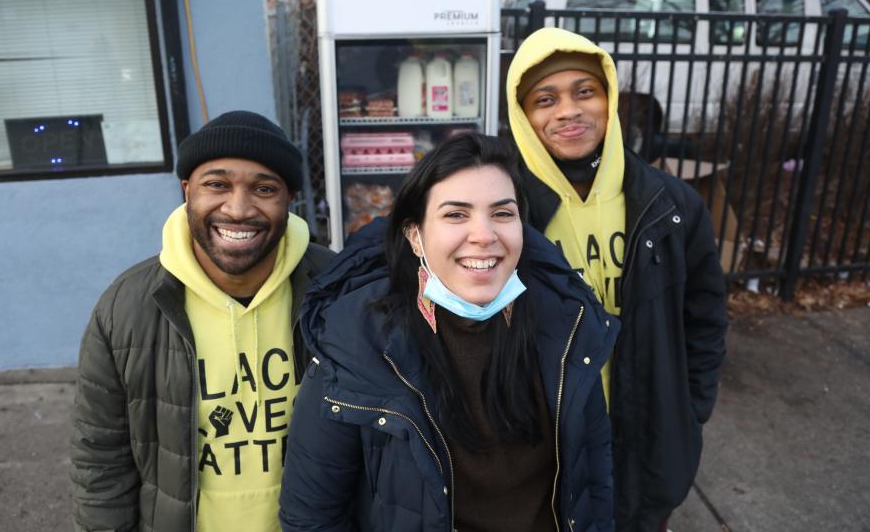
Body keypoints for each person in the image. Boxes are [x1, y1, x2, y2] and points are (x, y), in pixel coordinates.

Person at [278, 132, 620, 532]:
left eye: (502, 214)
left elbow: (594, 482)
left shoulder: (567, 327)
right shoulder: (356, 340)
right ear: (414, 235)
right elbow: (311, 516)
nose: (484, 235)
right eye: (456, 214)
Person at [506, 27, 728, 531]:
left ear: (609, 98)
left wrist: (689, 410)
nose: (568, 110)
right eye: (545, 99)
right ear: (523, 117)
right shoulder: (504, 212)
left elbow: (705, 318)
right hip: (545, 447)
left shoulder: (670, 206)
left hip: (647, 439)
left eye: (585, 91)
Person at [70, 111, 334, 532]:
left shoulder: (339, 291)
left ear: (289, 200)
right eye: (217, 185)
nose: (239, 209)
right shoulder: (126, 307)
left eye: (264, 188)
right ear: (186, 190)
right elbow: (101, 460)